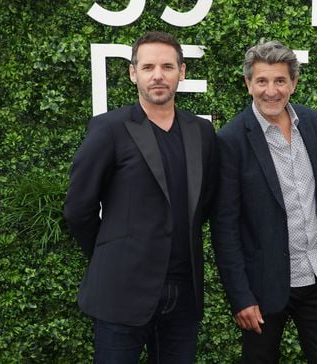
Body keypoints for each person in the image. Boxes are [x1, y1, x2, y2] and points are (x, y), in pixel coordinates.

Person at [64, 31, 217, 363]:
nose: (158, 75)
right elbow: (78, 208)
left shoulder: (202, 132)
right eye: (148, 67)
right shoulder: (109, 128)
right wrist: (111, 250)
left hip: (183, 295)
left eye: (167, 66)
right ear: (134, 73)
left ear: (182, 72)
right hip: (120, 292)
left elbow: (204, 203)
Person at [211, 40, 317, 363]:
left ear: (293, 83)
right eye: (262, 81)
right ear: (248, 84)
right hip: (262, 288)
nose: (271, 91)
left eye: (280, 81)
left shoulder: (312, 123)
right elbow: (224, 228)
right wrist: (241, 297)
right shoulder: (231, 140)